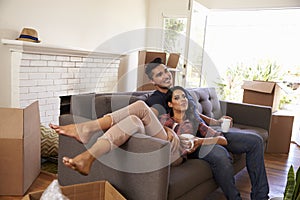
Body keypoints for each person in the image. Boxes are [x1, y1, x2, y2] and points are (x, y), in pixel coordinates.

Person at [144, 58, 269, 200]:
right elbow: (153, 123)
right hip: (191, 142)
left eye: (166, 71)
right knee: (221, 155)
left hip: (206, 131)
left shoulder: (179, 91)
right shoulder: (155, 100)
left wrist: (217, 121)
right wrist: (168, 131)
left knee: (255, 141)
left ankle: (261, 197)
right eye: (159, 75)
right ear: (153, 81)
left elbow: (195, 114)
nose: (166, 75)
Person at [50, 86, 227, 176]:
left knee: (141, 107)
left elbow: (222, 140)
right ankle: (88, 158)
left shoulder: (194, 121)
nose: (183, 100)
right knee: (133, 120)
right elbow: (153, 125)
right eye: (177, 97)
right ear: (170, 104)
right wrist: (168, 129)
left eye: (184, 97)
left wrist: (199, 141)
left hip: (176, 153)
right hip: (161, 140)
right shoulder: (164, 117)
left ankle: (88, 128)